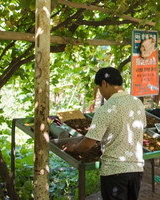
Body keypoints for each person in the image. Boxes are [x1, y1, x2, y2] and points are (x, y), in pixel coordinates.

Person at [62, 67, 146, 200]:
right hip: (136, 169)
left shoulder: (106, 109)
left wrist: (74, 148)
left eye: (99, 88)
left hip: (114, 171)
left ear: (104, 83)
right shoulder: (137, 103)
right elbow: (137, 129)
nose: (101, 92)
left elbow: (87, 145)